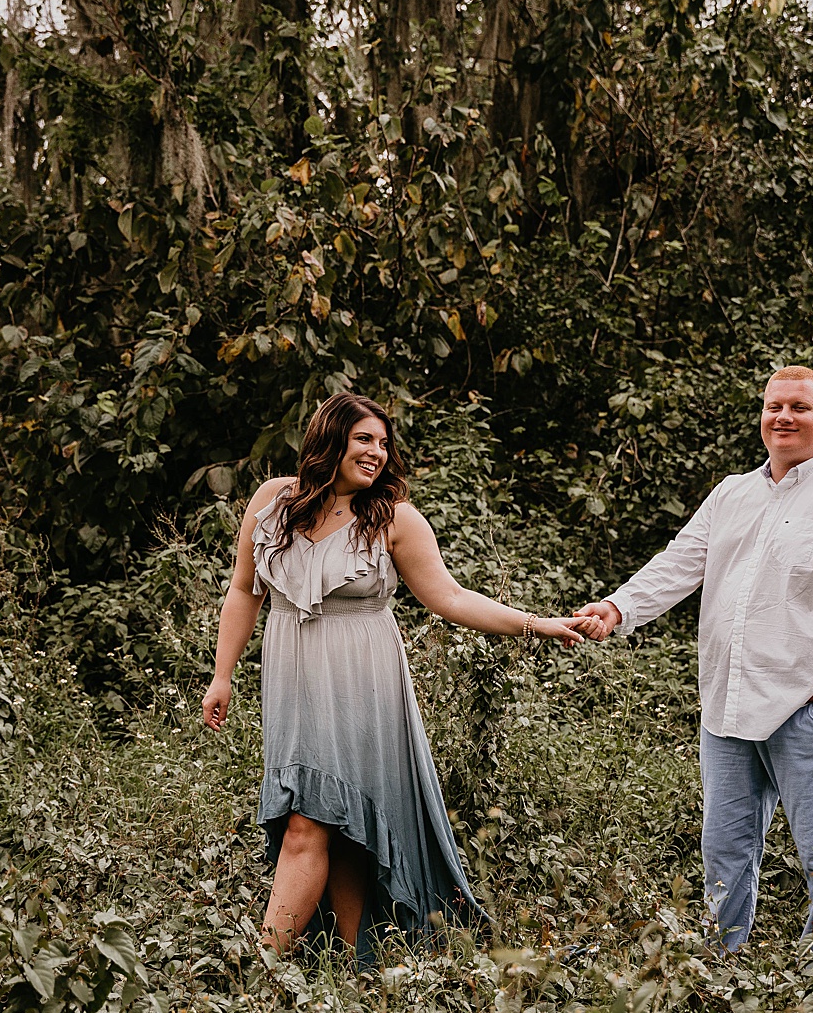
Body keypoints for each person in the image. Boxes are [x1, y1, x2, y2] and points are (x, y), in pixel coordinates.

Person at [202, 392, 593, 959]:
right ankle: (354, 963)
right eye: (364, 440)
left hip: (365, 680)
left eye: (384, 444)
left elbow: (451, 597)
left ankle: (261, 974)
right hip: (292, 681)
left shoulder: (393, 519)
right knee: (329, 822)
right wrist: (222, 675)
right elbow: (243, 590)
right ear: (329, 439)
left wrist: (536, 623)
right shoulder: (273, 502)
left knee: (312, 825)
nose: (377, 453)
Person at [575, 366, 813, 952]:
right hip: (726, 707)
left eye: (800, 408)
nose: (784, 417)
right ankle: (721, 968)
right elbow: (681, 563)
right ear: (762, 415)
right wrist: (617, 608)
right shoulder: (732, 493)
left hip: (810, 709)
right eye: (774, 405)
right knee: (725, 851)